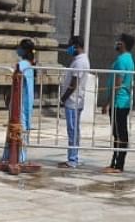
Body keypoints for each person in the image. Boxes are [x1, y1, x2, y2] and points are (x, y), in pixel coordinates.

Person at [101, 33, 135, 173]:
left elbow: (118, 82)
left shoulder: (122, 60)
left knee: (119, 133)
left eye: (119, 41)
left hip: (119, 102)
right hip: (122, 102)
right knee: (119, 133)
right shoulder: (128, 59)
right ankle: (115, 162)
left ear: (123, 44)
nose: (116, 43)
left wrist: (107, 102)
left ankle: (118, 164)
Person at [58, 35, 91, 169]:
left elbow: (74, 83)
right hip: (75, 101)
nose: (69, 48)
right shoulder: (79, 59)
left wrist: (64, 97)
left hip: (73, 101)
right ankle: (73, 157)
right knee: (74, 129)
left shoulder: (79, 62)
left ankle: (72, 159)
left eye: (71, 45)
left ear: (77, 46)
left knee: (72, 130)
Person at [2, 38, 37, 163]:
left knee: (18, 127)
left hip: (20, 102)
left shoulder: (22, 65)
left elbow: (17, 82)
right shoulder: (30, 65)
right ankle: (17, 155)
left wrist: (9, 96)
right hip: (26, 101)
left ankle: (17, 156)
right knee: (22, 126)